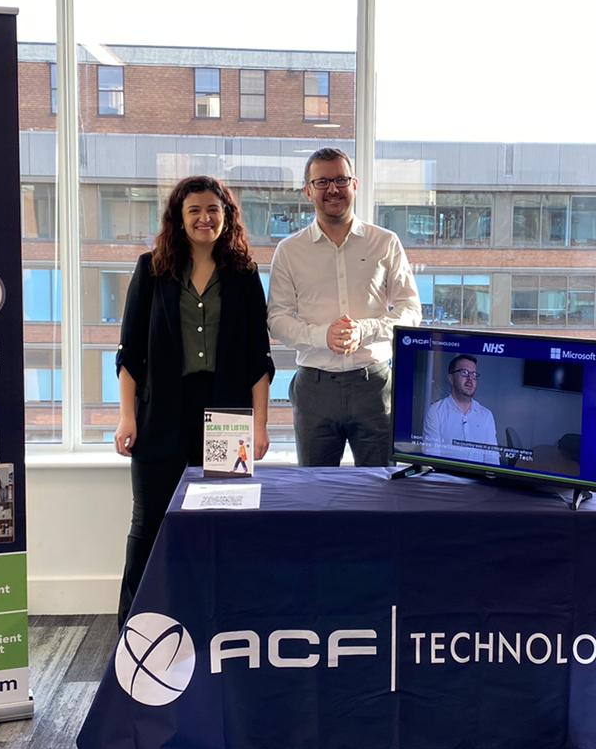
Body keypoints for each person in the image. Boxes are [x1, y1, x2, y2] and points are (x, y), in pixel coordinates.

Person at [114, 175, 274, 620]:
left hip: (226, 413)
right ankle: (135, 625)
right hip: (161, 411)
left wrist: (259, 424)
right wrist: (127, 417)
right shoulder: (151, 269)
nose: (205, 218)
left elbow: (257, 358)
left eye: (213, 210)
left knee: (222, 522)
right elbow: (130, 354)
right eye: (195, 211)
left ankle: (218, 621)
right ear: (179, 219)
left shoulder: (243, 275)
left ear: (226, 215)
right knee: (150, 526)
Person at [266, 148, 420, 466]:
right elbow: (277, 318)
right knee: (317, 496)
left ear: (355, 184)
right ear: (308, 190)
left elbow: (410, 309)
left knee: (380, 492)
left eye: (341, 179)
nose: (333, 189)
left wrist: (363, 330)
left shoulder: (385, 242)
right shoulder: (289, 251)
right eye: (322, 181)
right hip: (315, 389)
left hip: (374, 387)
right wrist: (324, 335)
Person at [420, 354, 500, 465]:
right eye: (464, 373)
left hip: (478, 480)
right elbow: (431, 458)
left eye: (474, 374)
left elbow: (492, 459)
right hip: (446, 479)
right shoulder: (436, 412)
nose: (470, 379)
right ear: (451, 378)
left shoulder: (486, 415)